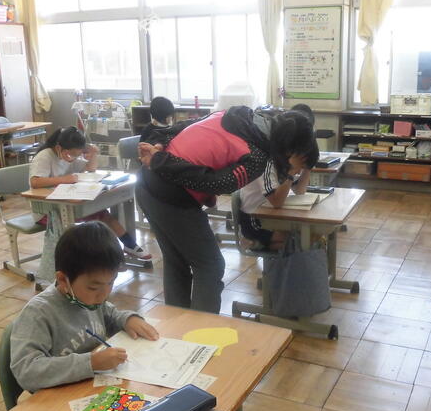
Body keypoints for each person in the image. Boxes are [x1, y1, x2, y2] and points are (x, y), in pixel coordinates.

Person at [9, 222, 223, 411]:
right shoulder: (39, 313)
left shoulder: (88, 298)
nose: (103, 294)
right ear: (62, 279)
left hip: (102, 396)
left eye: (110, 284)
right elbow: (26, 371)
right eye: (95, 286)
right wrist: (90, 362)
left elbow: (108, 312)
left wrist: (127, 319)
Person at [136, 97, 318, 313]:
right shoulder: (257, 156)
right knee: (211, 266)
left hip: (148, 184)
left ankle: (178, 327)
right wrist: (161, 159)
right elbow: (213, 182)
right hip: (170, 193)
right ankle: (201, 330)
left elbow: (182, 127)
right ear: (290, 149)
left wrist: (159, 147)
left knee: (177, 262)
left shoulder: (238, 113)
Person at [29, 126, 151, 260]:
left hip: (68, 203)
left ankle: (129, 245)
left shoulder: (69, 153)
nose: (72, 159)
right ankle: (91, 257)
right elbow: (35, 182)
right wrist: (64, 179)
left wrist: (93, 153)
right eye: (71, 155)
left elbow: (90, 168)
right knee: (96, 219)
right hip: (47, 210)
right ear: (58, 147)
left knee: (102, 213)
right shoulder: (45, 156)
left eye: (77, 155)